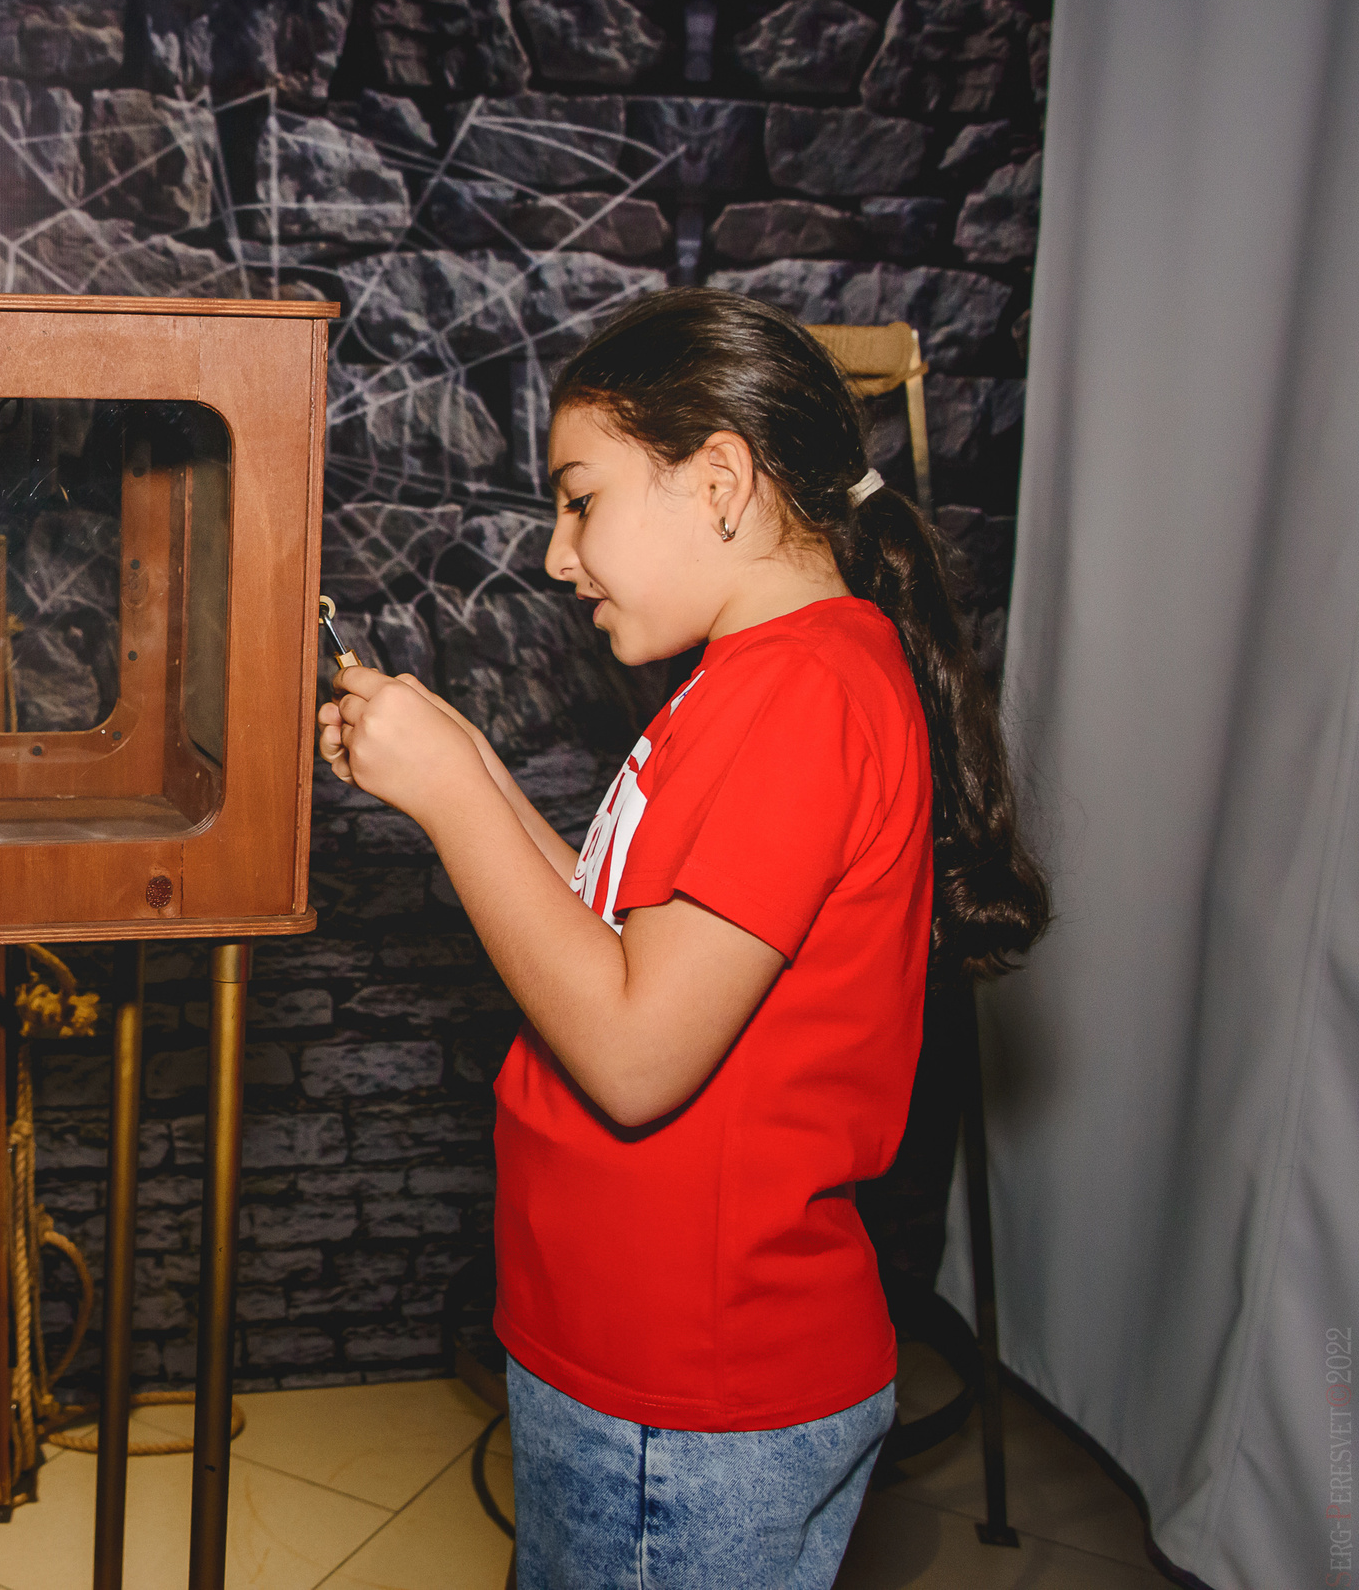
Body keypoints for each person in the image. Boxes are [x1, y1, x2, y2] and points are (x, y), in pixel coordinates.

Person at [318, 289, 1048, 1588]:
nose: (557, 555)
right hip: (636, 1371)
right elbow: (615, 937)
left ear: (718, 476)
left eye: (581, 498)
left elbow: (636, 1050)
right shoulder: (745, 679)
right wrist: (470, 772)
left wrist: (445, 794)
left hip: (690, 1399)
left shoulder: (804, 694)